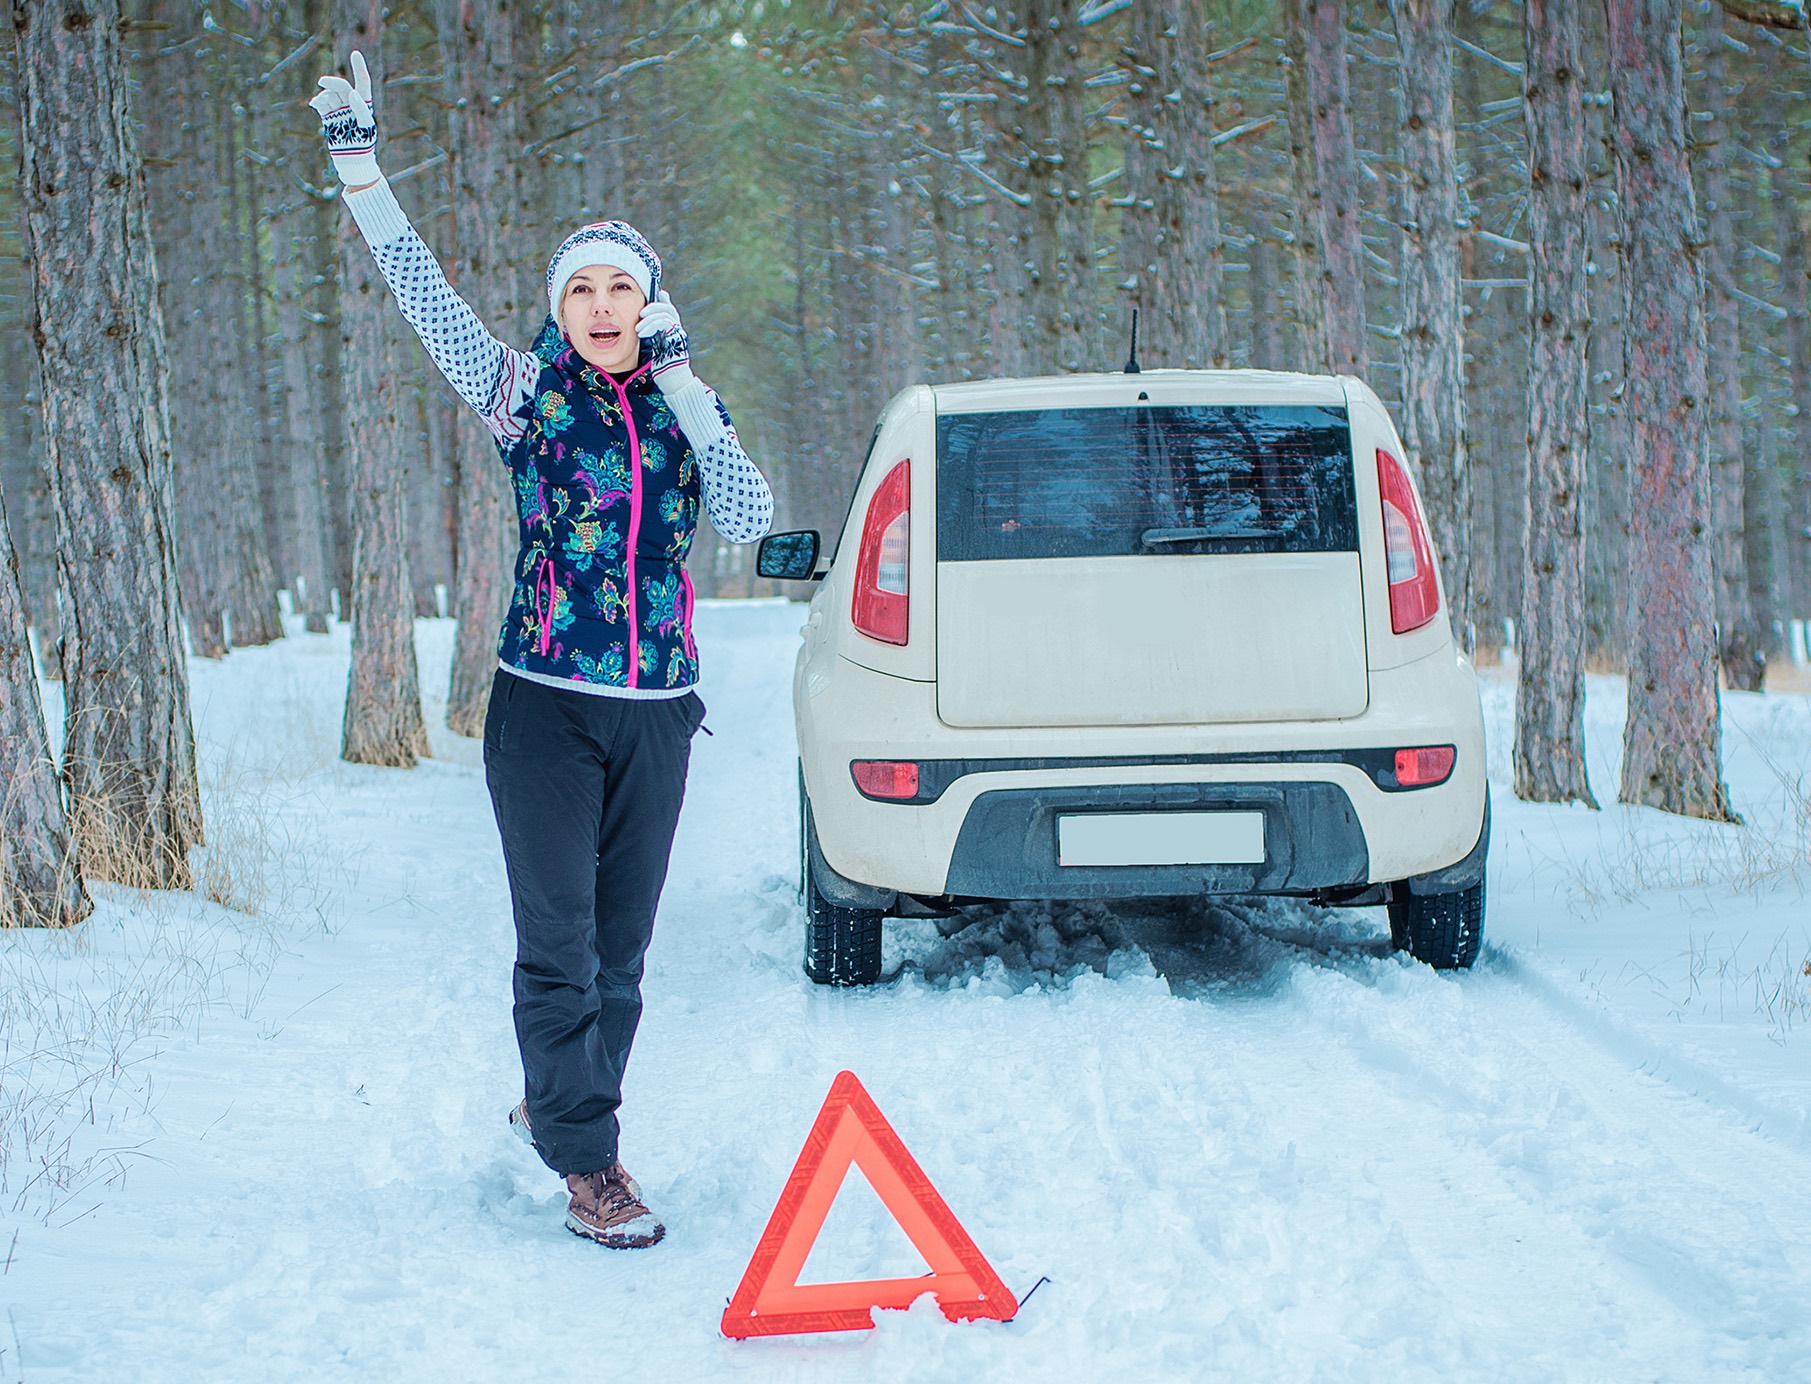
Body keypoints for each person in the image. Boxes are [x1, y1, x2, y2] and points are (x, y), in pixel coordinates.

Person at [311, 53, 774, 1248]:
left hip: (659, 709)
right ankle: (590, 1162)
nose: (604, 305)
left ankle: (555, 1102)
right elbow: (424, 300)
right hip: (544, 712)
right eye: (584, 291)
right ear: (561, 308)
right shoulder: (521, 392)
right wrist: (362, 170)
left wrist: (682, 389)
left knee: (622, 955)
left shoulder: (687, 406)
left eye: (624, 286)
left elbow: (752, 516)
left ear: (651, 301)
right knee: (559, 945)